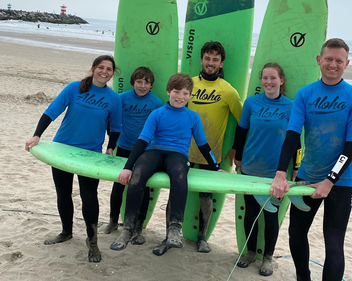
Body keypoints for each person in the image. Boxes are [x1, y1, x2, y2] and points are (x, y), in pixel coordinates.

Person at [270, 38, 352, 281]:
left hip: (342, 181)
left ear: (346, 64)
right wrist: (281, 173)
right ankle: (303, 277)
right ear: (319, 60)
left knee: (333, 242)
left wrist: (329, 181)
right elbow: (292, 136)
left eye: (338, 61)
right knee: (296, 234)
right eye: (328, 59)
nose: (332, 64)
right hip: (308, 174)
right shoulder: (305, 94)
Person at [25, 55, 123, 263]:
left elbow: (116, 128)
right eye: (101, 67)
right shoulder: (74, 88)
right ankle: (66, 231)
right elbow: (51, 112)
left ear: (112, 73)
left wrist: (111, 148)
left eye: (109, 69)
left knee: (89, 196)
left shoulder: (113, 99)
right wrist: (37, 135)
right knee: (63, 192)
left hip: (91, 153)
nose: (104, 72)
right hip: (62, 148)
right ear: (93, 68)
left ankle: (92, 240)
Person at [110, 73, 219, 252]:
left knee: (179, 175)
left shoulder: (193, 117)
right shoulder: (157, 113)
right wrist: (127, 167)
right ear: (169, 91)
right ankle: (128, 229)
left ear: (190, 95)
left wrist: (215, 168)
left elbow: (203, 145)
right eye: (177, 92)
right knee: (137, 175)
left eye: (185, 93)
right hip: (154, 152)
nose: (180, 97)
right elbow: (142, 141)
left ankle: (175, 228)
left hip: (178, 155)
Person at [233, 63, 295, 276]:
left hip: (274, 171)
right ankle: (250, 253)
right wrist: (238, 158)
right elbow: (241, 131)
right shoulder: (251, 103)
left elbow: (295, 139)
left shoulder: (290, 106)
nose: (269, 82)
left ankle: (267, 258)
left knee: (270, 215)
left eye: (273, 78)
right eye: (265, 78)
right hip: (250, 165)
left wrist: (293, 167)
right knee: (249, 212)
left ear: (281, 80)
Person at [186, 41, 243, 253]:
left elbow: (243, 122)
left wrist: (237, 148)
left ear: (221, 63)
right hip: (184, 151)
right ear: (201, 60)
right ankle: (170, 232)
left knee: (206, 197)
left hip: (211, 155)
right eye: (207, 59)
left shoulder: (228, 91)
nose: (210, 63)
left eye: (215, 60)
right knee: (177, 191)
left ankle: (202, 237)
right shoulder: (189, 85)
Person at [101, 67, 163, 245]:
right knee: (118, 186)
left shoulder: (156, 103)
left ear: (151, 85)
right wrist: (111, 144)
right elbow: (111, 121)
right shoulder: (122, 99)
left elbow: (161, 128)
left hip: (145, 151)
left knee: (142, 188)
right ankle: (113, 221)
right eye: (139, 82)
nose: (142, 86)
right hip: (124, 147)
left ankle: (138, 227)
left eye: (146, 82)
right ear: (133, 82)